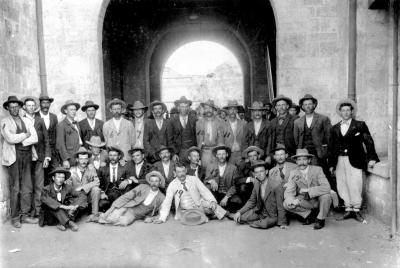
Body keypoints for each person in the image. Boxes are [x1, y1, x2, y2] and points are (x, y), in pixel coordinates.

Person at [329, 99, 379, 222]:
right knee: (342, 184)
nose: (346, 113)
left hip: (355, 159)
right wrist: (331, 164)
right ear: (339, 112)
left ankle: (356, 210)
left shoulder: (360, 125)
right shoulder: (335, 128)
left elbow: (369, 142)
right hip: (339, 160)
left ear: (352, 112)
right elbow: (331, 147)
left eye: (348, 110)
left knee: (355, 183)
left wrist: (372, 158)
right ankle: (348, 209)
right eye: (343, 110)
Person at [1, 96, 38, 227]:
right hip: (14, 157)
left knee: (27, 186)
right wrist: (24, 135)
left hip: (27, 155)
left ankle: (25, 215)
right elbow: (10, 138)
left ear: (19, 107)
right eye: (11, 107)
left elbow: (34, 137)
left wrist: (21, 139)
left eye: (16, 106)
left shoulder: (26, 121)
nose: (14, 109)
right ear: (8, 108)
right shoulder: (4, 122)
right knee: (15, 188)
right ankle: (15, 218)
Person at [153, 162, 226, 223]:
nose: (181, 174)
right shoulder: (172, 185)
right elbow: (167, 201)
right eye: (179, 172)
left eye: (183, 171)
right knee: (193, 220)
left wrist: (212, 201)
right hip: (185, 210)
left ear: (186, 170)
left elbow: (204, 191)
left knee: (215, 207)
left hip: (199, 204)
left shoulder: (194, 179)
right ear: (174, 173)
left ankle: (214, 214)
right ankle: (206, 216)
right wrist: (162, 218)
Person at [230, 160, 287, 229]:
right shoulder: (257, 183)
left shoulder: (276, 185)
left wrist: (282, 223)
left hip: (272, 215)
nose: (259, 174)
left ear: (266, 172)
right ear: (254, 174)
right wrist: (239, 212)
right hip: (260, 212)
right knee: (240, 218)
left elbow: (280, 205)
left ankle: (258, 222)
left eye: (261, 171)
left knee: (264, 224)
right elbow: (251, 201)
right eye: (256, 172)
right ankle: (257, 221)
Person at [284, 149, 332, 230]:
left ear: (309, 160)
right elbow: (289, 191)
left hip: (318, 200)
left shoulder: (318, 170)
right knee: (286, 204)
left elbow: (327, 187)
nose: (302, 162)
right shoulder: (293, 173)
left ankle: (321, 219)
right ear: (296, 161)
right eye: (299, 159)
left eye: (304, 159)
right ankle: (309, 215)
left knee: (326, 196)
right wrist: (291, 201)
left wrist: (308, 191)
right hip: (305, 201)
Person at [97, 171, 165, 226]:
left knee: (124, 222)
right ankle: (98, 217)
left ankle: (102, 217)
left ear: (160, 182)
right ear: (149, 182)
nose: (154, 183)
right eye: (152, 181)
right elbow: (127, 196)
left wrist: (152, 218)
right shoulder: (142, 187)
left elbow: (162, 212)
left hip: (134, 214)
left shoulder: (162, 197)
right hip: (127, 206)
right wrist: (111, 208)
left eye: (156, 181)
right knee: (112, 217)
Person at [22, 96, 51, 218]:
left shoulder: (39, 120)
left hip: (39, 157)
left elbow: (46, 140)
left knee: (39, 185)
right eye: (28, 105)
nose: (31, 107)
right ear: (24, 107)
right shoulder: (21, 120)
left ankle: (38, 211)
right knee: (27, 186)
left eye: (33, 105)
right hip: (26, 158)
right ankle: (26, 212)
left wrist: (47, 157)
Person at [294, 94, 331, 177]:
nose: (308, 106)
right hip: (303, 153)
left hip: (318, 153)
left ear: (314, 105)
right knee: (305, 175)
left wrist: (326, 152)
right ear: (302, 107)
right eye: (305, 104)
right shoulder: (297, 121)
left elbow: (329, 137)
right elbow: (296, 139)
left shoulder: (323, 119)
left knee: (318, 175)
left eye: (310, 104)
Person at [39, 167, 86, 231]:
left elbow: (81, 194)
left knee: (75, 205)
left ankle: (61, 223)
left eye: (63, 177)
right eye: (58, 177)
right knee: (56, 208)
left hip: (63, 214)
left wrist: (75, 206)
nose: (60, 179)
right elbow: (47, 200)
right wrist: (66, 207)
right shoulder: (46, 189)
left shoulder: (67, 187)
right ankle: (70, 223)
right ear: (53, 178)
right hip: (50, 216)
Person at [204, 144, 242, 213]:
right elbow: (206, 180)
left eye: (223, 154)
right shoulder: (210, 166)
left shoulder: (233, 168)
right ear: (216, 155)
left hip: (227, 193)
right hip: (216, 193)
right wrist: (212, 181)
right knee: (208, 187)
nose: (221, 156)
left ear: (227, 155)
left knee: (237, 202)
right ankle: (221, 210)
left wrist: (226, 197)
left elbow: (235, 185)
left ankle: (221, 211)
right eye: (219, 154)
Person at [67, 147, 101, 222]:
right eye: (81, 159)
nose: (84, 161)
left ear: (88, 160)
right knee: (73, 217)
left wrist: (83, 187)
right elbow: (67, 188)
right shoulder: (71, 171)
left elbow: (97, 182)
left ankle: (95, 215)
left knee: (96, 189)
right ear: (77, 160)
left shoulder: (91, 169)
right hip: (75, 198)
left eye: (85, 159)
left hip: (88, 197)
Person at [96, 146, 132, 215]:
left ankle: (113, 210)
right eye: (110, 155)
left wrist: (127, 181)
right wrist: (101, 192)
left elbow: (131, 178)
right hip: (107, 193)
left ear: (119, 156)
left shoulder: (124, 167)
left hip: (120, 193)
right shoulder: (103, 168)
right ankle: (113, 210)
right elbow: (97, 182)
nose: (112, 157)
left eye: (115, 155)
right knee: (101, 205)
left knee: (120, 204)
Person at [196, 99, 225, 168]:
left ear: (213, 109)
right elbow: (198, 140)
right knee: (205, 172)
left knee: (217, 171)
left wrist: (220, 153)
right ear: (204, 110)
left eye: (210, 108)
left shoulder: (220, 122)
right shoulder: (199, 123)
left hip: (216, 152)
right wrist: (199, 155)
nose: (208, 110)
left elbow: (221, 139)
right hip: (204, 152)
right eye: (206, 108)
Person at [167, 96, 197, 162]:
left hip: (192, 152)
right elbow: (169, 140)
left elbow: (196, 138)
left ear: (189, 108)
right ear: (178, 108)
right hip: (178, 153)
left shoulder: (194, 120)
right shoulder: (172, 121)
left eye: (186, 106)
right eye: (182, 106)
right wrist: (174, 153)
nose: (184, 109)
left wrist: (196, 152)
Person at [56, 100, 83, 169]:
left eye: (75, 109)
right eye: (71, 109)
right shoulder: (61, 125)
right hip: (70, 157)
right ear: (65, 111)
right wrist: (65, 159)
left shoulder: (77, 124)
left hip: (79, 156)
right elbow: (60, 144)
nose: (74, 111)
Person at [36, 93, 59, 173]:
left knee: (55, 172)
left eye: (47, 103)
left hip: (53, 150)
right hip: (40, 151)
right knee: (42, 174)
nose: (45, 105)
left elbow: (56, 134)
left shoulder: (54, 117)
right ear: (40, 104)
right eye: (43, 103)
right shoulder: (35, 116)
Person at [223, 100, 246, 166]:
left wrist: (245, 155)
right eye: (230, 109)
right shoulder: (223, 124)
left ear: (237, 111)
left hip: (240, 154)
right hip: (229, 155)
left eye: (234, 109)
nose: (232, 111)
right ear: (227, 111)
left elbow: (246, 140)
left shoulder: (243, 123)